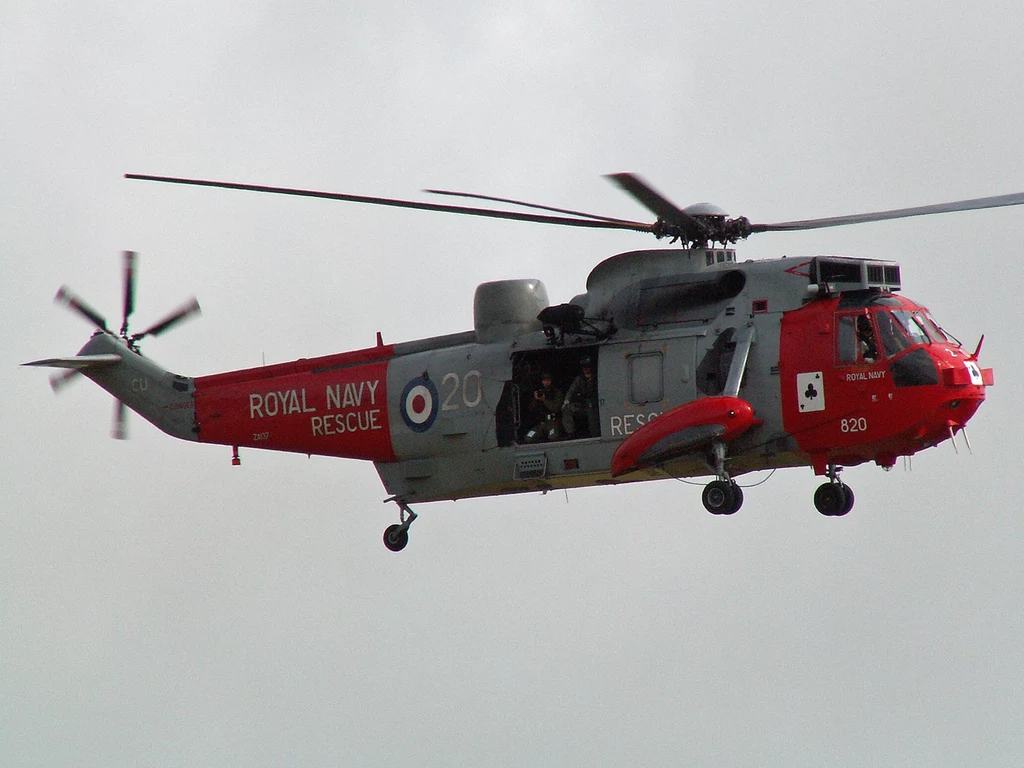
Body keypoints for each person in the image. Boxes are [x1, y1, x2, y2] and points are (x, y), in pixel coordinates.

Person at [562, 357, 599, 437]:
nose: (585, 369)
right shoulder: (579, 379)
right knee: (567, 409)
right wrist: (567, 401)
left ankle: (594, 435)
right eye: (584, 367)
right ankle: (571, 433)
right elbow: (571, 391)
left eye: (587, 367)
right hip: (583, 405)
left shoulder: (597, 377)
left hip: (596, 405)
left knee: (592, 413)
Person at [524, 372, 564, 443]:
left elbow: (555, 409)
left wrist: (544, 400)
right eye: (544, 380)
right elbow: (531, 409)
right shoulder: (540, 392)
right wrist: (536, 400)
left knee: (553, 437)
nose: (546, 382)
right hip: (542, 423)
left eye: (548, 380)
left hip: (553, 422)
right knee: (529, 437)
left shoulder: (557, 393)